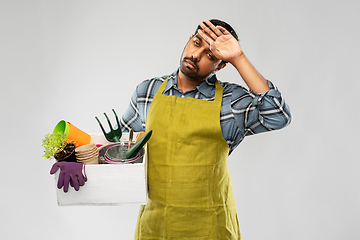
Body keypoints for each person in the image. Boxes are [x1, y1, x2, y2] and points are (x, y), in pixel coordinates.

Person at [119, 19, 292, 239]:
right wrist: (79, 164)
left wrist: (238, 58)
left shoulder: (232, 102)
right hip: (155, 227)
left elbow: (278, 114)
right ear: (188, 41)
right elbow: (120, 149)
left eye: (210, 55)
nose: (196, 55)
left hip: (212, 227)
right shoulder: (148, 92)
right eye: (196, 42)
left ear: (221, 65)